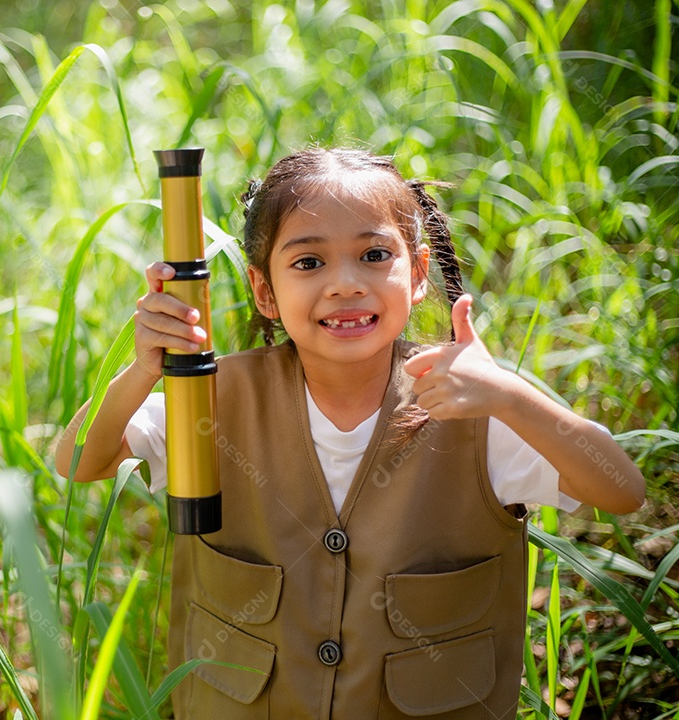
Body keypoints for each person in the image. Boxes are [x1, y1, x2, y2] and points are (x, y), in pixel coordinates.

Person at [54, 147, 644, 719]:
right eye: (308, 263)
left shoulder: (472, 405)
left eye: (373, 256)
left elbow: (622, 490)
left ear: (416, 275)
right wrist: (143, 370)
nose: (344, 284)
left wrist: (513, 397)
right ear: (265, 292)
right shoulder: (209, 398)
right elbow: (78, 459)